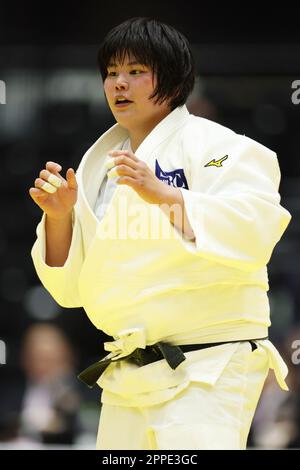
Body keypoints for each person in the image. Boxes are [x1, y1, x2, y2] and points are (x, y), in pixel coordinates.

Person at [29, 17, 292, 450]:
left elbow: (255, 229)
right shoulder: (101, 167)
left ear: (171, 78)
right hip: (129, 371)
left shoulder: (221, 147)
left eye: (135, 72)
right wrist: (59, 217)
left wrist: (162, 194)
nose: (119, 84)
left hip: (209, 364)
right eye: (112, 73)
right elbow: (72, 288)